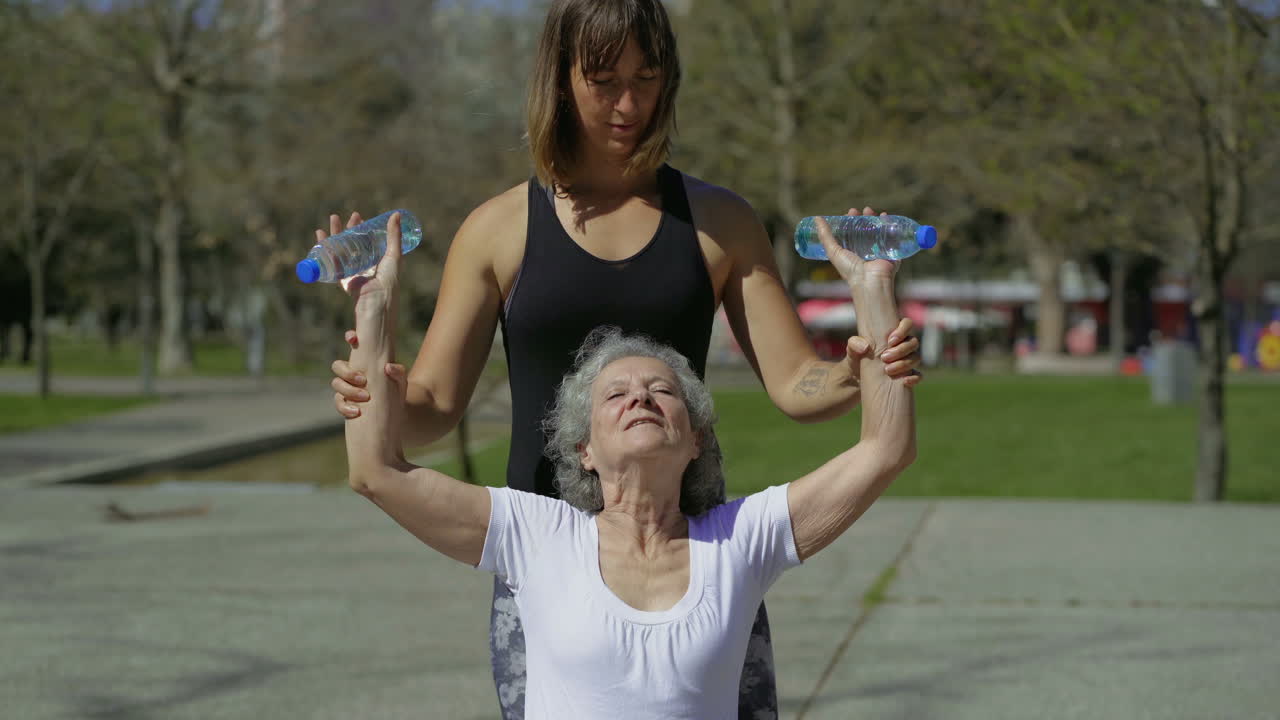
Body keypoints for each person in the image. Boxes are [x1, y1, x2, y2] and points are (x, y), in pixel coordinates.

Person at [319, 1, 922, 716]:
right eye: (604, 80)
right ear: (560, 79)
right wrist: (378, 395)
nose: (629, 103)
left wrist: (855, 370)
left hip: (687, 547)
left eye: (648, 76)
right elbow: (431, 411)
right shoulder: (498, 229)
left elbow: (797, 384)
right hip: (544, 563)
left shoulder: (720, 221)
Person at [342, 212, 916, 720]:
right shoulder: (535, 534)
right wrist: (373, 308)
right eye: (615, 395)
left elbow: (886, 448)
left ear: (695, 439)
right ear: (582, 450)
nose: (639, 398)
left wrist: (874, 289)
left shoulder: (740, 539)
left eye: (662, 391)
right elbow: (377, 471)